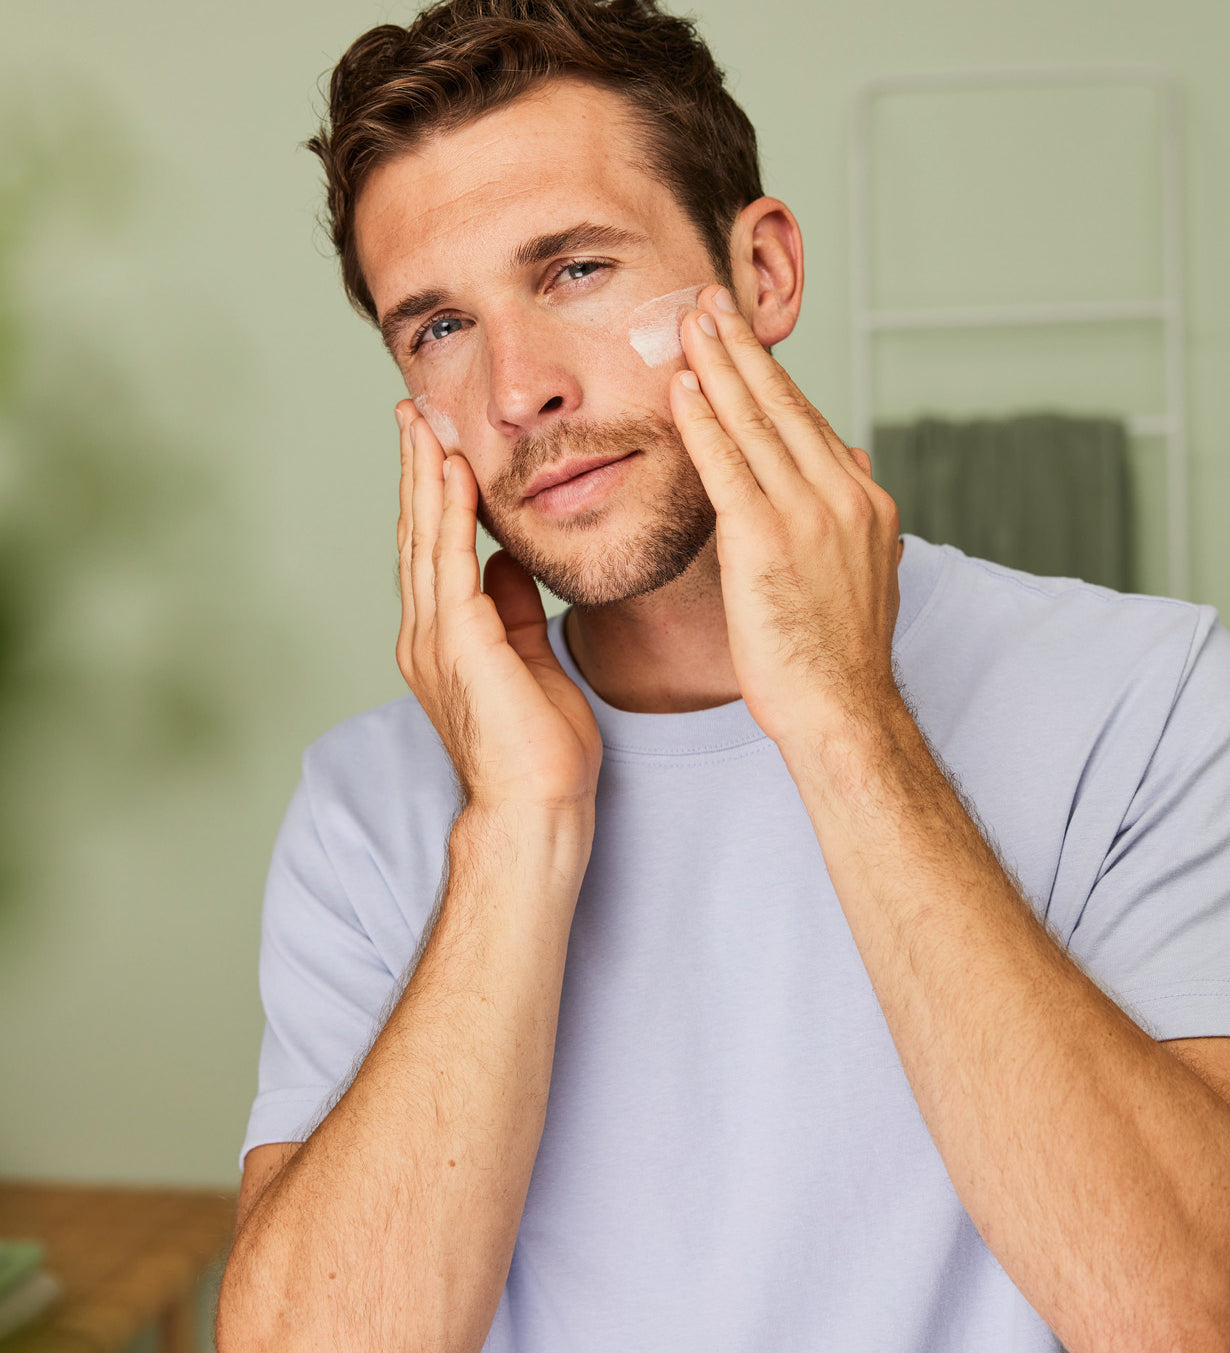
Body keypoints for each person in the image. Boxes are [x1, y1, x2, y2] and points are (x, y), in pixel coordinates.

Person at [215, 2, 1230, 1349]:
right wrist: (517, 826)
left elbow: (1192, 1313)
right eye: (440, 325)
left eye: (573, 269)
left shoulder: (1154, 698)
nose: (518, 390)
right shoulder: (371, 805)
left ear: (759, 273)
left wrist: (843, 721)